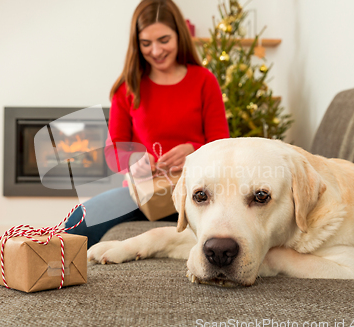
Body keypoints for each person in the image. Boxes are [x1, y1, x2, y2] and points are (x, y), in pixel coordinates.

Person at [65, 0, 230, 248]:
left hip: (197, 192)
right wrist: (133, 161)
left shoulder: (204, 81)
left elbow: (223, 146)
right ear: (136, 43)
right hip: (144, 192)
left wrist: (194, 151)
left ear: (179, 36)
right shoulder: (128, 87)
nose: (155, 50)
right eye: (146, 43)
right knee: (77, 222)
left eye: (164, 40)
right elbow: (114, 152)